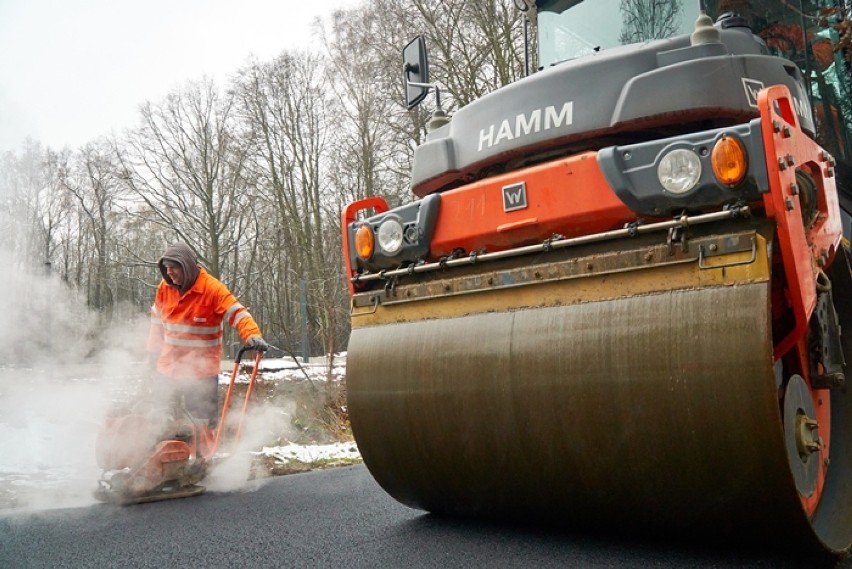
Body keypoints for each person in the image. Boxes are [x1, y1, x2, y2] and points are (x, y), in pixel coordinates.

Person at [146, 242, 268, 426]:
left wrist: (252, 335)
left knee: (202, 426)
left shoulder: (212, 289)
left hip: (200, 373)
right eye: (166, 268)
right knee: (162, 422)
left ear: (185, 266)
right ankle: (171, 453)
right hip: (168, 367)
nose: (169, 272)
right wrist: (152, 352)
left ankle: (205, 454)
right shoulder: (165, 288)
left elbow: (237, 313)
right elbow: (156, 321)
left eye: (173, 268)